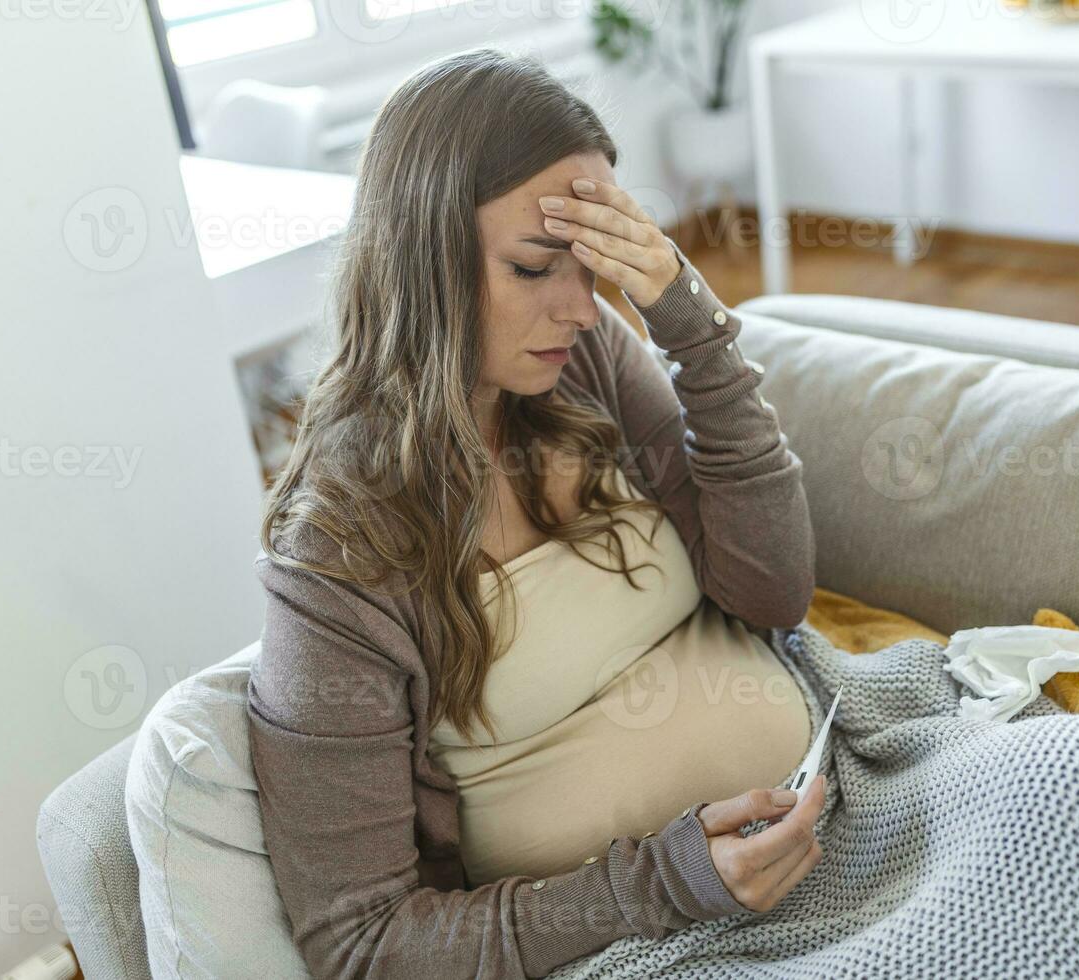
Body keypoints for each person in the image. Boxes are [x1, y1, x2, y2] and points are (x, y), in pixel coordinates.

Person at [247, 47, 826, 980]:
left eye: (592, 263)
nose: (585, 308)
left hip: (828, 805)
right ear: (420, 267)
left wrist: (691, 327)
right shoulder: (337, 559)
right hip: (654, 943)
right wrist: (667, 885)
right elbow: (359, 943)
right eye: (533, 266)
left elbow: (771, 594)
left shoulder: (583, 369)